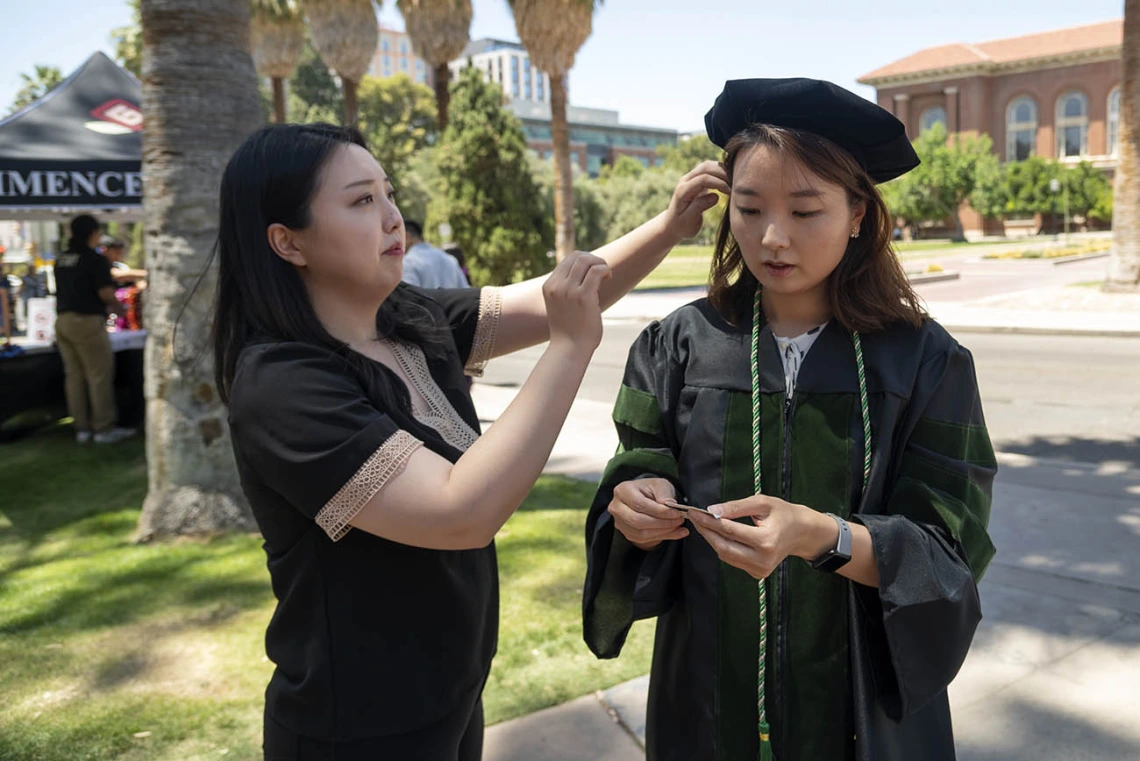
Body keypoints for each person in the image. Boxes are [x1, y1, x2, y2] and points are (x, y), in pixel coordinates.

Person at [215, 123, 722, 760]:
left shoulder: (407, 319)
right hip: (356, 728)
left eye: (388, 193)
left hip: (450, 699)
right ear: (288, 242)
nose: (394, 218)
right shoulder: (282, 384)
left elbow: (556, 296)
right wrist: (570, 348)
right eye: (361, 201)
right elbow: (461, 514)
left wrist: (670, 226)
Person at [583, 79, 996, 761]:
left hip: (864, 712)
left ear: (860, 212)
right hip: (705, 697)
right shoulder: (679, 345)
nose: (773, 238)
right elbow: (642, 454)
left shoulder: (925, 361)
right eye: (748, 208)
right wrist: (636, 499)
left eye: (806, 211)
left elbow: (947, 551)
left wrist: (819, 535)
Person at [53, 215, 136, 444]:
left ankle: (81, 428)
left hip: (63, 321)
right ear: (93, 233)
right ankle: (104, 428)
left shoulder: (61, 259)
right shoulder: (94, 260)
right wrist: (120, 309)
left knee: (74, 377)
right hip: (87, 321)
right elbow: (105, 294)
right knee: (99, 375)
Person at [401, 219, 470, 288]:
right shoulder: (450, 259)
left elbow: (410, 296)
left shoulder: (408, 263)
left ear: (407, 237)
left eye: (398, 236)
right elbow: (466, 293)